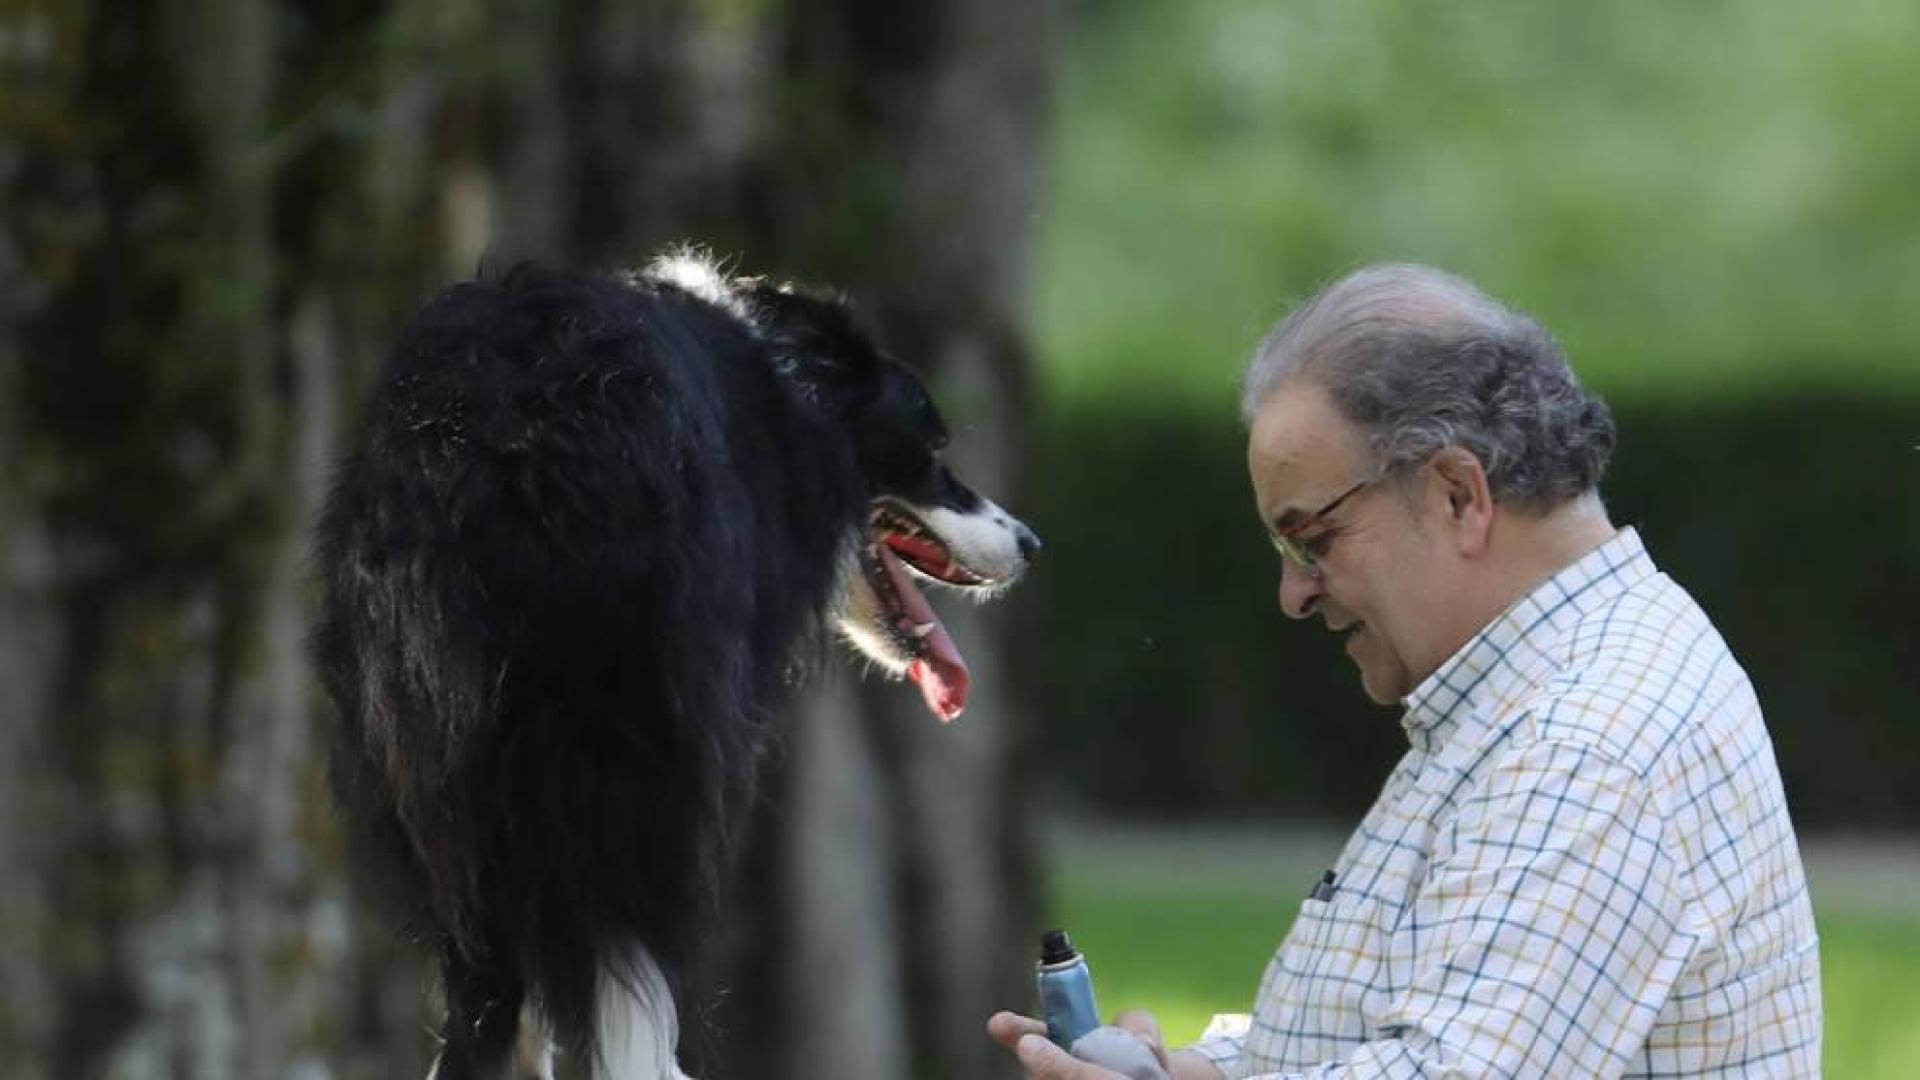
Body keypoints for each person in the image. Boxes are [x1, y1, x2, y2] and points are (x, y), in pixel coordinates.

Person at [989, 264, 1823, 1077]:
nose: (1293, 594)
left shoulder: (1583, 743)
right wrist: (1196, 1071)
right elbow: (1420, 1026)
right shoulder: (1551, 690)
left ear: (1458, 493)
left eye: (1312, 539)